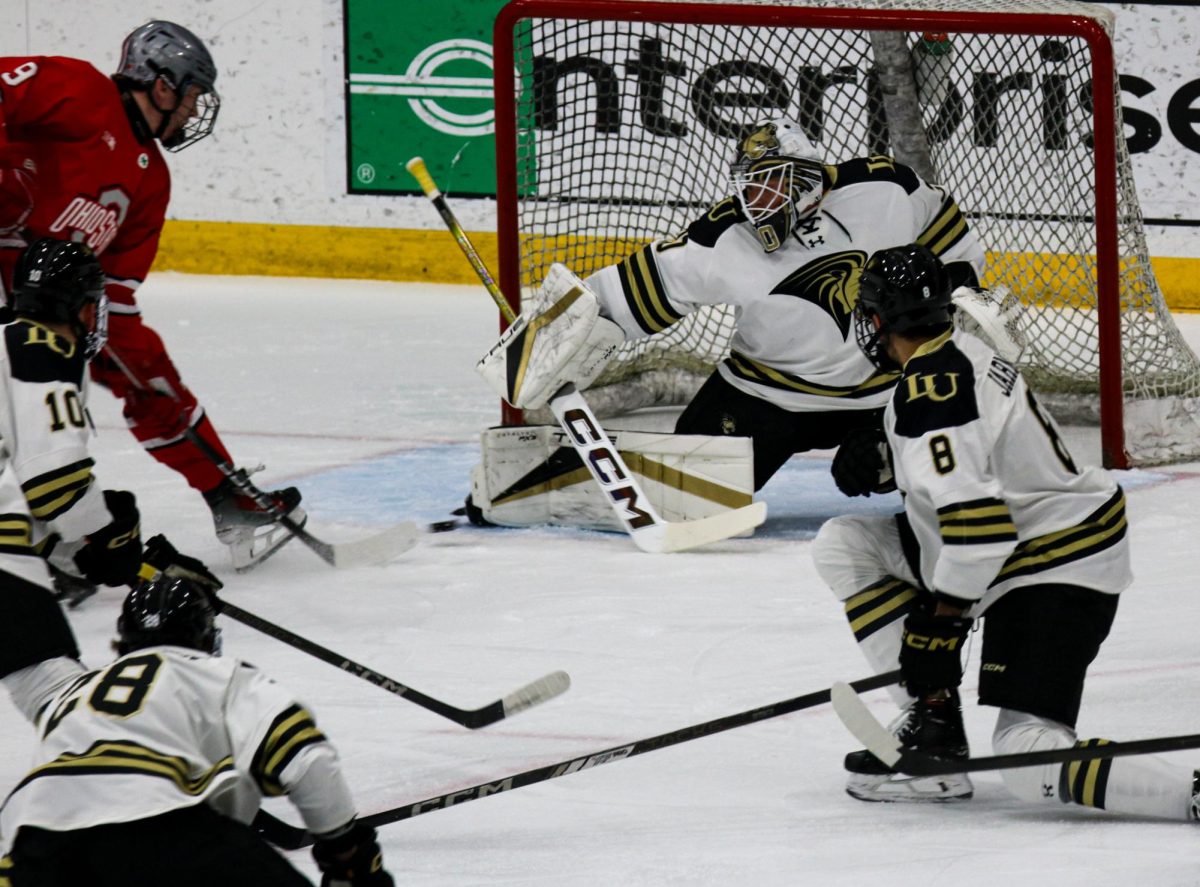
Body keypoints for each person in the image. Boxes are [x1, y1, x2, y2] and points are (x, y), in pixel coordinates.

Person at [811, 242, 1198, 821]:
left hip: (1057, 564)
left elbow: (977, 528)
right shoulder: (957, 351)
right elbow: (977, 457)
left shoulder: (930, 394)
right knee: (849, 544)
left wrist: (940, 626)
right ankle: (934, 726)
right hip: (1030, 542)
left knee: (1027, 758)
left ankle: (1188, 793)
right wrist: (892, 455)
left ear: (873, 320)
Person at [479, 117, 985, 498]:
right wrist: (548, 338)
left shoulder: (884, 188)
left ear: (807, 176)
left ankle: (891, 453)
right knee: (679, 491)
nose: (756, 202)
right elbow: (619, 297)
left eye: (770, 183)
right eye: (749, 187)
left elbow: (953, 248)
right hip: (765, 394)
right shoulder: (722, 238)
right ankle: (535, 479)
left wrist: (963, 310)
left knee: (932, 478)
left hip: (884, 395)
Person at [0, 20, 304, 570]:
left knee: (135, 375)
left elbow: (111, 290)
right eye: (191, 95)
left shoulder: (151, 179)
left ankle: (221, 495)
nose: (192, 112)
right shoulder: (81, 90)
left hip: (44, 314)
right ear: (161, 84)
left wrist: (132, 361)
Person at [0, 545, 395, 887]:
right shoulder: (222, 678)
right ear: (206, 636)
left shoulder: (71, 692)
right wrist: (347, 851)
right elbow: (306, 760)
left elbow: (26, 652)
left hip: (33, 840)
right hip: (160, 828)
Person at [0, 237, 144, 711]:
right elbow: (54, 488)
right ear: (76, 306)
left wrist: (77, 554)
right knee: (53, 687)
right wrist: (105, 537)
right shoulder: (40, 351)